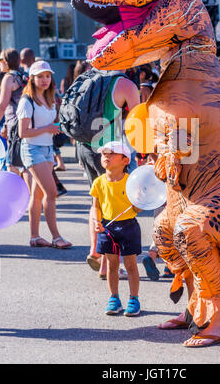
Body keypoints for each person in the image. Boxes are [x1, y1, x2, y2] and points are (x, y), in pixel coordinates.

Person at [77, 69, 140, 278]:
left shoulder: (90, 79)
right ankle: (109, 263)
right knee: (116, 199)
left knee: (97, 199)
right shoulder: (124, 84)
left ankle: (96, 252)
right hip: (113, 149)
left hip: (85, 145)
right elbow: (137, 120)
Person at [17, 60, 72, 248]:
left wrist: (56, 127)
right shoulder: (27, 101)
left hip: (47, 149)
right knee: (52, 192)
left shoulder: (49, 99)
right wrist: (47, 128)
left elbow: (49, 125)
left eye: (47, 76)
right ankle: (56, 237)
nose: (44, 80)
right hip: (32, 149)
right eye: (40, 76)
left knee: (38, 194)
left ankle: (34, 237)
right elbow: (22, 133)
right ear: (32, 79)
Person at [90, 141, 142, 316]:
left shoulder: (131, 182)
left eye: (111, 154)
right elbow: (96, 206)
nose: (106, 157)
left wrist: (138, 203)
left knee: (131, 265)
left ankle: (134, 299)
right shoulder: (98, 182)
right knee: (112, 265)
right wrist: (97, 221)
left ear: (125, 160)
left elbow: (138, 207)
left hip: (129, 226)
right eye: (104, 154)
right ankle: (114, 298)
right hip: (107, 227)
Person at [0, 48, 32, 189]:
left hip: (15, 126)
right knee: (27, 163)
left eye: (0, 60)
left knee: (13, 165)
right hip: (28, 122)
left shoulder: (9, 78)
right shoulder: (25, 75)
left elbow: (2, 105)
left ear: (5, 61)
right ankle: (32, 198)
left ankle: (21, 199)